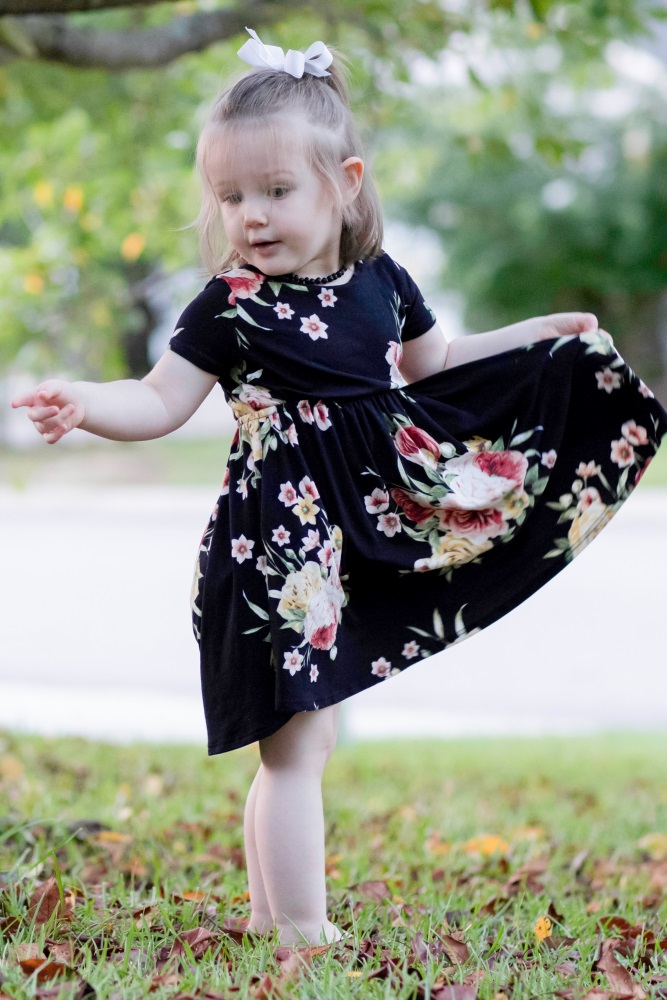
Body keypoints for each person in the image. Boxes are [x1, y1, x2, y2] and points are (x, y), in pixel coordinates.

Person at [12, 27, 667, 947]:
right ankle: (302, 932)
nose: (252, 215)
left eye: (276, 191)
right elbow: (157, 400)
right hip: (276, 547)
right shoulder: (229, 305)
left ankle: (272, 919)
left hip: (364, 535)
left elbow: (437, 362)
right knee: (293, 743)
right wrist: (83, 400)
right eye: (231, 196)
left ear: (344, 182)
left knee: (302, 742)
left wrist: (535, 334)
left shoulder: (381, 283)